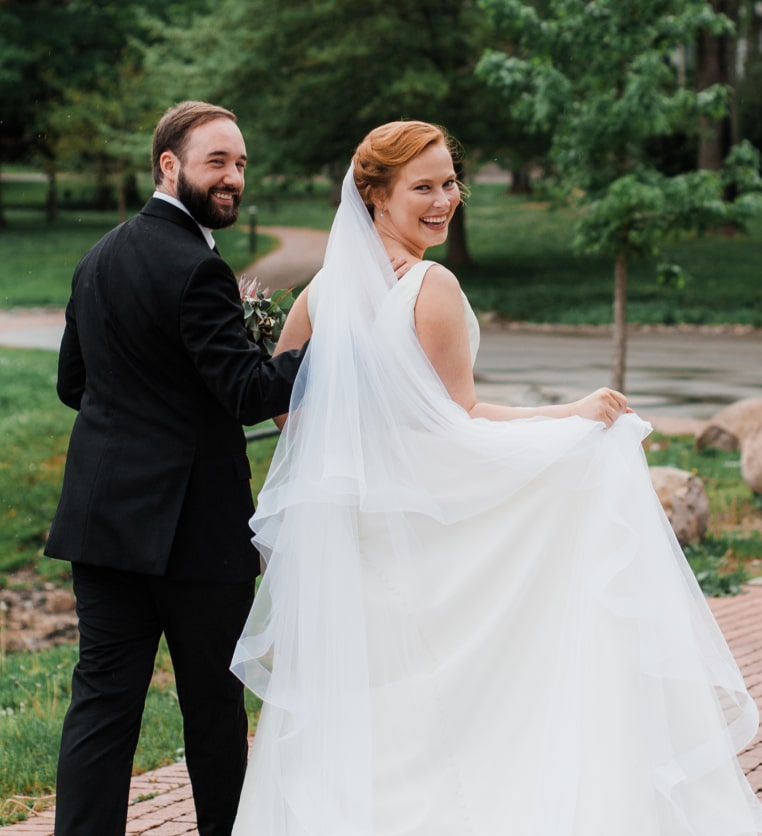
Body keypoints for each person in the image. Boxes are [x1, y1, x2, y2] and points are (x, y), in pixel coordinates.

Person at [230, 120, 762, 835]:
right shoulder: (430, 284)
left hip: (360, 535)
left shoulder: (321, 294)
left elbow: (290, 416)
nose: (445, 199)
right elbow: (462, 422)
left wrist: (363, 448)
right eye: (423, 186)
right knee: (466, 691)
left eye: (450, 181)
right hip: (422, 529)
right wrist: (568, 417)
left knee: (381, 702)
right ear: (375, 195)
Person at [44, 101, 309, 836]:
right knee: (212, 711)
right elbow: (250, 393)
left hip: (102, 524)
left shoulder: (98, 257)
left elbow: (74, 383)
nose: (234, 178)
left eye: (242, 164)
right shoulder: (197, 266)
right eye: (217, 161)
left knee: (101, 707)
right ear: (170, 165)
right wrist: (333, 348)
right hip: (196, 534)